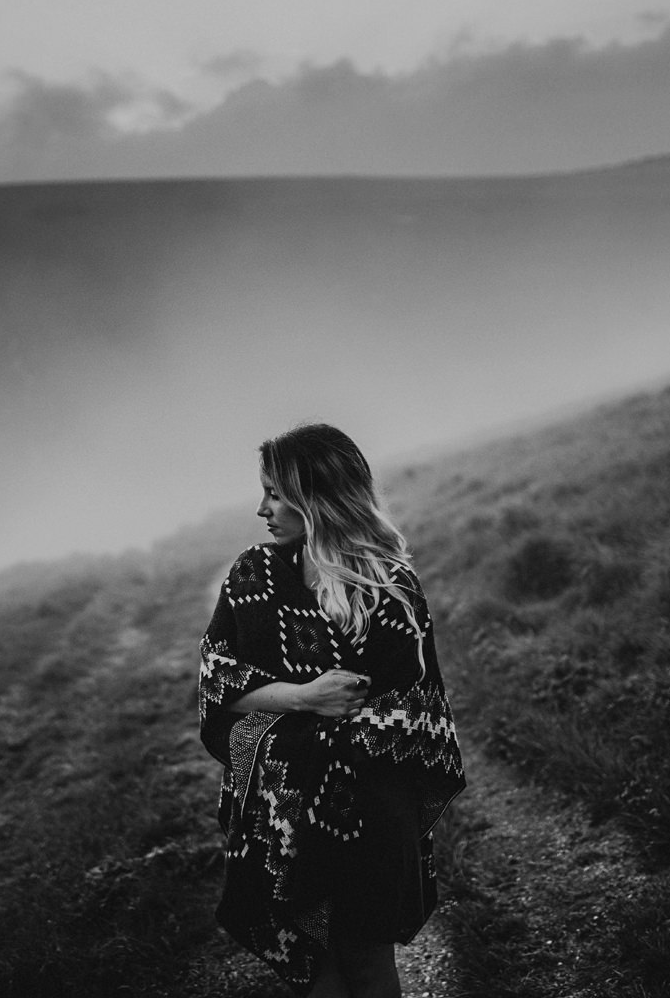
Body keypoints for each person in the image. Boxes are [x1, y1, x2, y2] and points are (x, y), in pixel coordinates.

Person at [198, 423, 466, 997]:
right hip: (281, 807)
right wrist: (305, 698)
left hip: (371, 805)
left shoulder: (388, 586)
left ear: (317, 497)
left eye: (274, 492)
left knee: (368, 966)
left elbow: (416, 712)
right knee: (315, 974)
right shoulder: (254, 577)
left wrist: (300, 726)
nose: (261, 508)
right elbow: (219, 678)